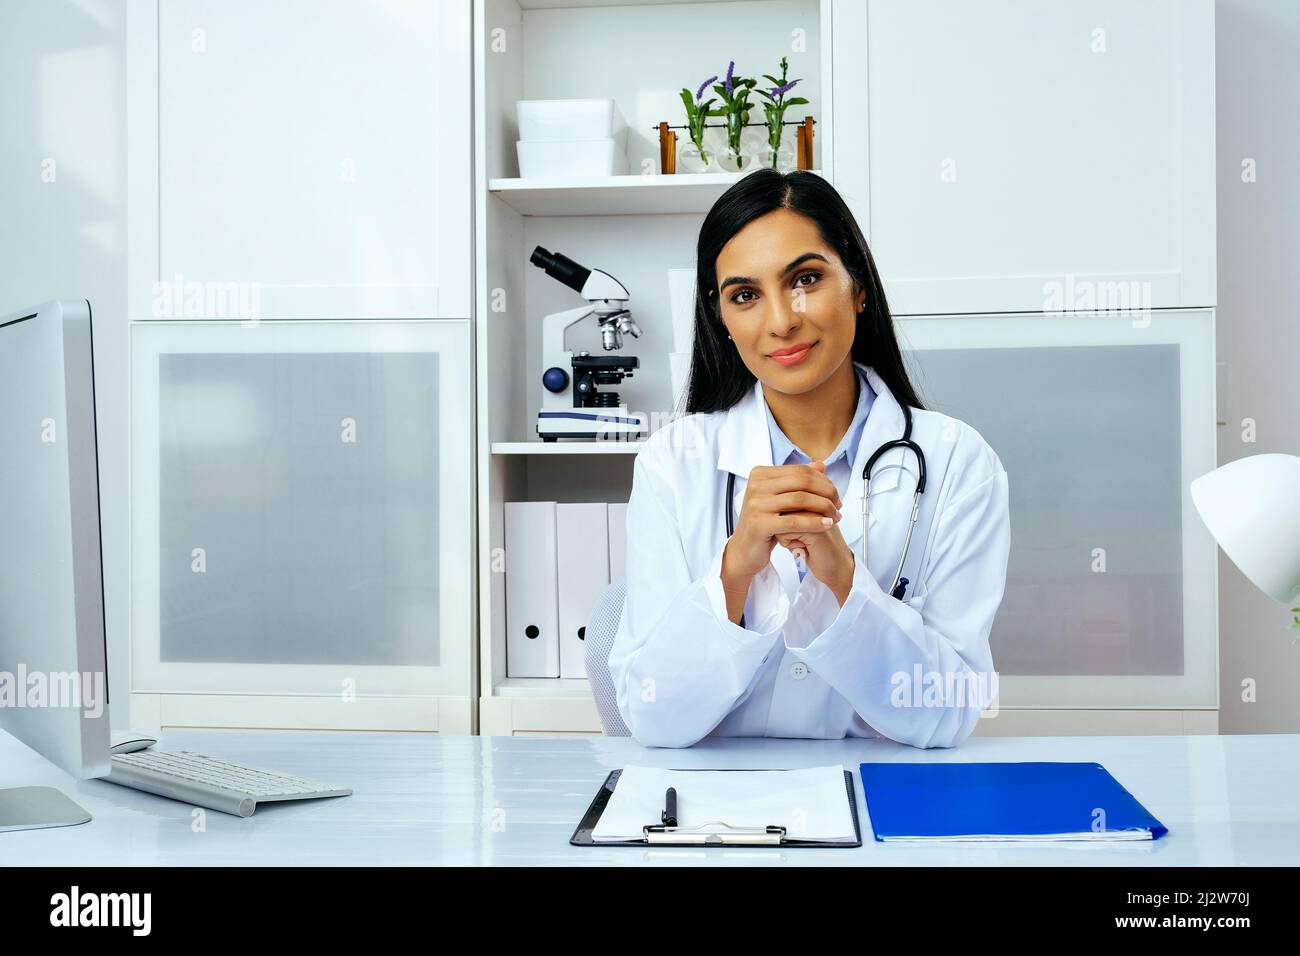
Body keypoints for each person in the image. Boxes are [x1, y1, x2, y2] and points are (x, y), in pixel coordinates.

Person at [607, 169, 1010, 748]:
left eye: (805, 280)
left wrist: (842, 579)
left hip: (882, 802)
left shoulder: (957, 463)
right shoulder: (674, 463)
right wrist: (736, 568)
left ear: (859, 285)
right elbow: (652, 719)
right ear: (721, 319)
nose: (780, 320)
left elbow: (947, 716)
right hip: (716, 813)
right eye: (744, 295)